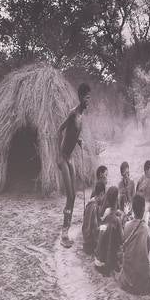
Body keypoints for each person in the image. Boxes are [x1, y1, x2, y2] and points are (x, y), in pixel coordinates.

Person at [56, 83, 91, 248]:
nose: (88, 100)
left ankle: (66, 229)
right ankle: (64, 233)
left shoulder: (81, 116)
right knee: (70, 195)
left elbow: (73, 132)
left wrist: (78, 141)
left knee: (74, 196)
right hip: (63, 158)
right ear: (80, 97)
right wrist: (58, 153)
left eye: (89, 97)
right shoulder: (73, 113)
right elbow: (60, 130)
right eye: (86, 97)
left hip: (70, 158)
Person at [117, 194, 150, 296]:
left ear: (133, 209)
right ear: (143, 210)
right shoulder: (145, 228)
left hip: (127, 277)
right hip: (141, 281)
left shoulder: (127, 225)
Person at [93, 185, 122, 275]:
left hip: (98, 260)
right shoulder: (116, 220)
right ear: (116, 200)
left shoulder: (105, 212)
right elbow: (122, 239)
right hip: (106, 263)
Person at [82, 164, 108, 255]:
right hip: (89, 243)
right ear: (101, 194)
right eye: (106, 175)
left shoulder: (91, 203)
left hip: (86, 237)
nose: (107, 178)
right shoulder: (94, 206)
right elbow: (95, 228)